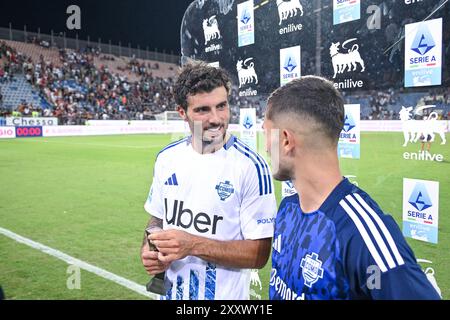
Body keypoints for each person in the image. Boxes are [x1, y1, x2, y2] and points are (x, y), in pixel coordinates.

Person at [263, 76, 441, 300]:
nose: (266, 147)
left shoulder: (362, 234)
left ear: (286, 140)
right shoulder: (288, 209)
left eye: (267, 134)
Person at [140, 62, 277, 300]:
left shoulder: (252, 167)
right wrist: (149, 245)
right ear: (182, 113)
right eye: (203, 110)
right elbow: (157, 218)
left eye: (222, 106)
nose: (216, 119)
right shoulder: (166, 158)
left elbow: (259, 255)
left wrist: (192, 245)